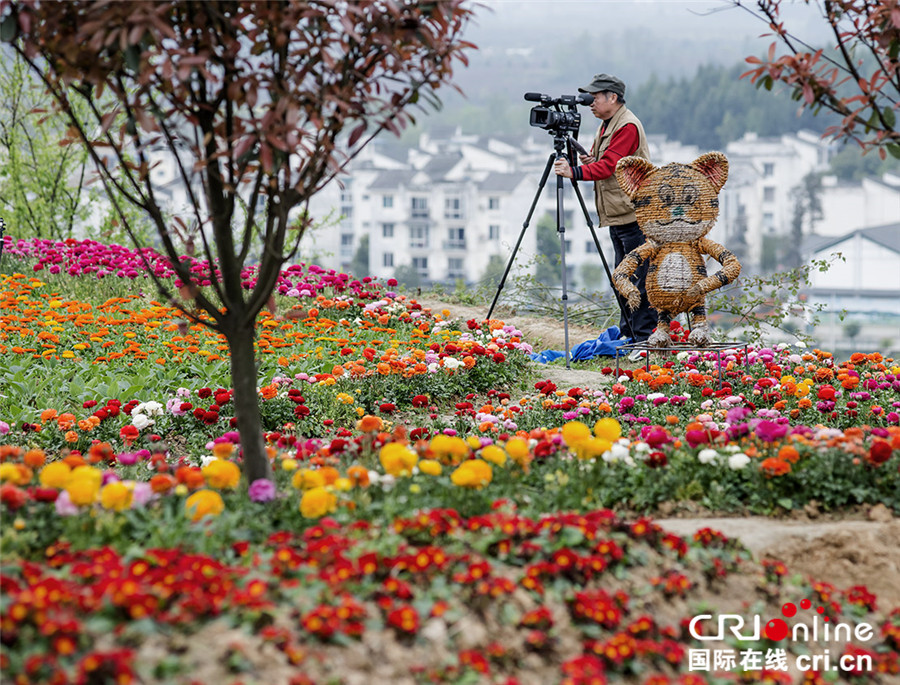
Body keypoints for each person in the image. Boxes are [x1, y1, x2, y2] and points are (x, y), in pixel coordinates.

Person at [553, 73, 657, 346]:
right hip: (619, 214)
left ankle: (642, 337)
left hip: (635, 216)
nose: (590, 103)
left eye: (595, 97)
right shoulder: (608, 124)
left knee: (638, 280)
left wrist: (574, 171)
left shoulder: (627, 126)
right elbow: (609, 162)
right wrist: (590, 160)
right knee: (622, 277)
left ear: (613, 97)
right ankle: (629, 332)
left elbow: (609, 167)